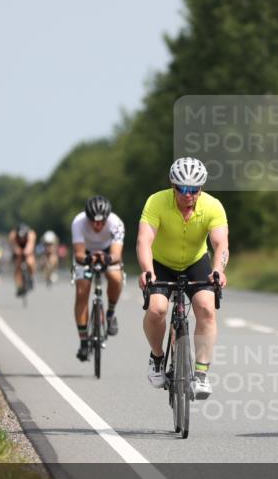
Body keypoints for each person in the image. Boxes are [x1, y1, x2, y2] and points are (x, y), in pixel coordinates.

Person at [137, 156, 229, 399]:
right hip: (162, 264)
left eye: (194, 189)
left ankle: (200, 374)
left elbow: (220, 243)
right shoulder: (156, 202)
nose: (188, 195)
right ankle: (157, 357)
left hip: (195, 263)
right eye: (183, 188)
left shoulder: (212, 206)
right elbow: (144, 240)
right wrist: (147, 269)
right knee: (156, 309)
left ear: (201, 188)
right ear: (172, 185)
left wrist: (218, 269)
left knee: (207, 308)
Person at [72, 196, 125, 361]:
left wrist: (107, 258)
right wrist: (88, 259)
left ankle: (110, 313)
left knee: (116, 278)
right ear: (87, 217)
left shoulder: (116, 223)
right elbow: (79, 253)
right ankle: (83, 342)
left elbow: (116, 254)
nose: (97, 225)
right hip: (86, 254)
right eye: (92, 221)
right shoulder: (78, 222)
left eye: (101, 222)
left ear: (107, 218)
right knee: (82, 291)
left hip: (108, 253)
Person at [8, 223, 37, 296]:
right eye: (20, 237)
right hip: (17, 249)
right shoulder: (13, 235)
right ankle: (19, 286)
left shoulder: (31, 234)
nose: (22, 238)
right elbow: (14, 245)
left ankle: (31, 277)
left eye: (23, 236)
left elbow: (30, 245)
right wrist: (17, 251)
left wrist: (26, 251)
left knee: (30, 262)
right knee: (18, 266)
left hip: (27, 249)